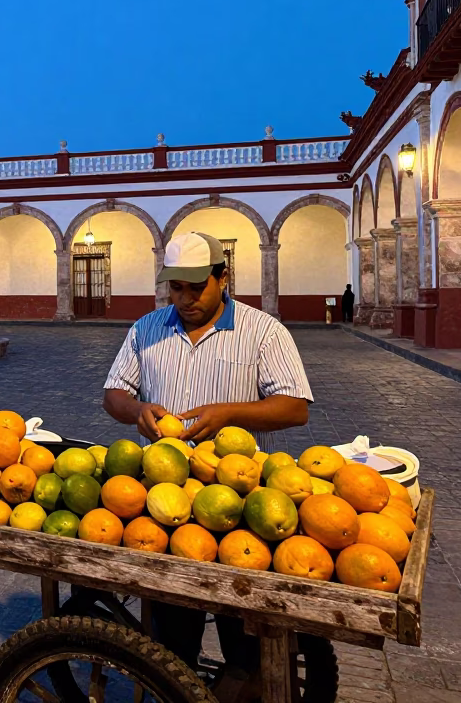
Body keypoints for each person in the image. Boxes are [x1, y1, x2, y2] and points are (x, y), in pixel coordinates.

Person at [102, 231, 313, 686]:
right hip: (166, 504)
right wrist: (137, 409)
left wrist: (228, 413)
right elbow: (114, 393)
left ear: (224, 277)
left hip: (242, 504)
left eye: (197, 287)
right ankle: (177, 683)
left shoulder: (263, 331)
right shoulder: (147, 329)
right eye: (176, 288)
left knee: (243, 630)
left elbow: (295, 407)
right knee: (171, 630)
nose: (186, 299)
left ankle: (242, 681)